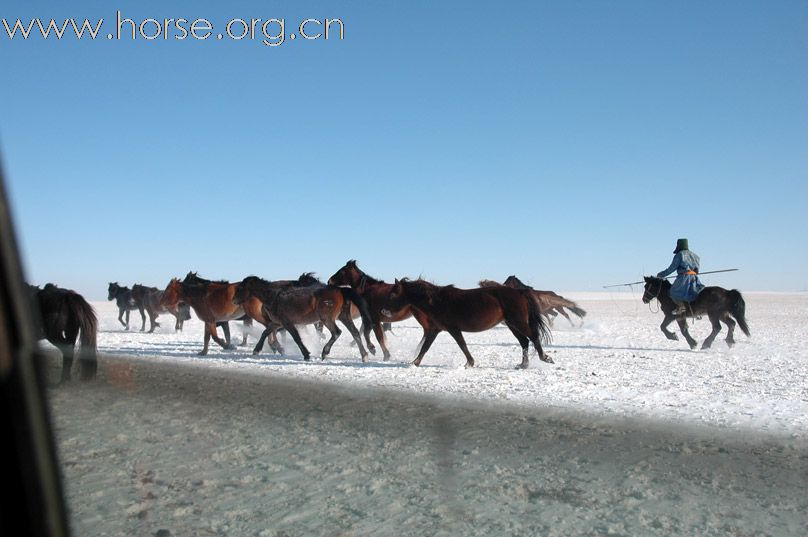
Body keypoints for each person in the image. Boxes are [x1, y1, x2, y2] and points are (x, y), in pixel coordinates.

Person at [657, 238, 705, 315]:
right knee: (693, 293)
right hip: (694, 278)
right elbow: (697, 270)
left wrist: (661, 275)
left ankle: (680, 307)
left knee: (673, 292)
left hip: (683, 278)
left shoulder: (680, 255)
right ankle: (695, 311)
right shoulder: (695, 256)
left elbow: (671, 268)